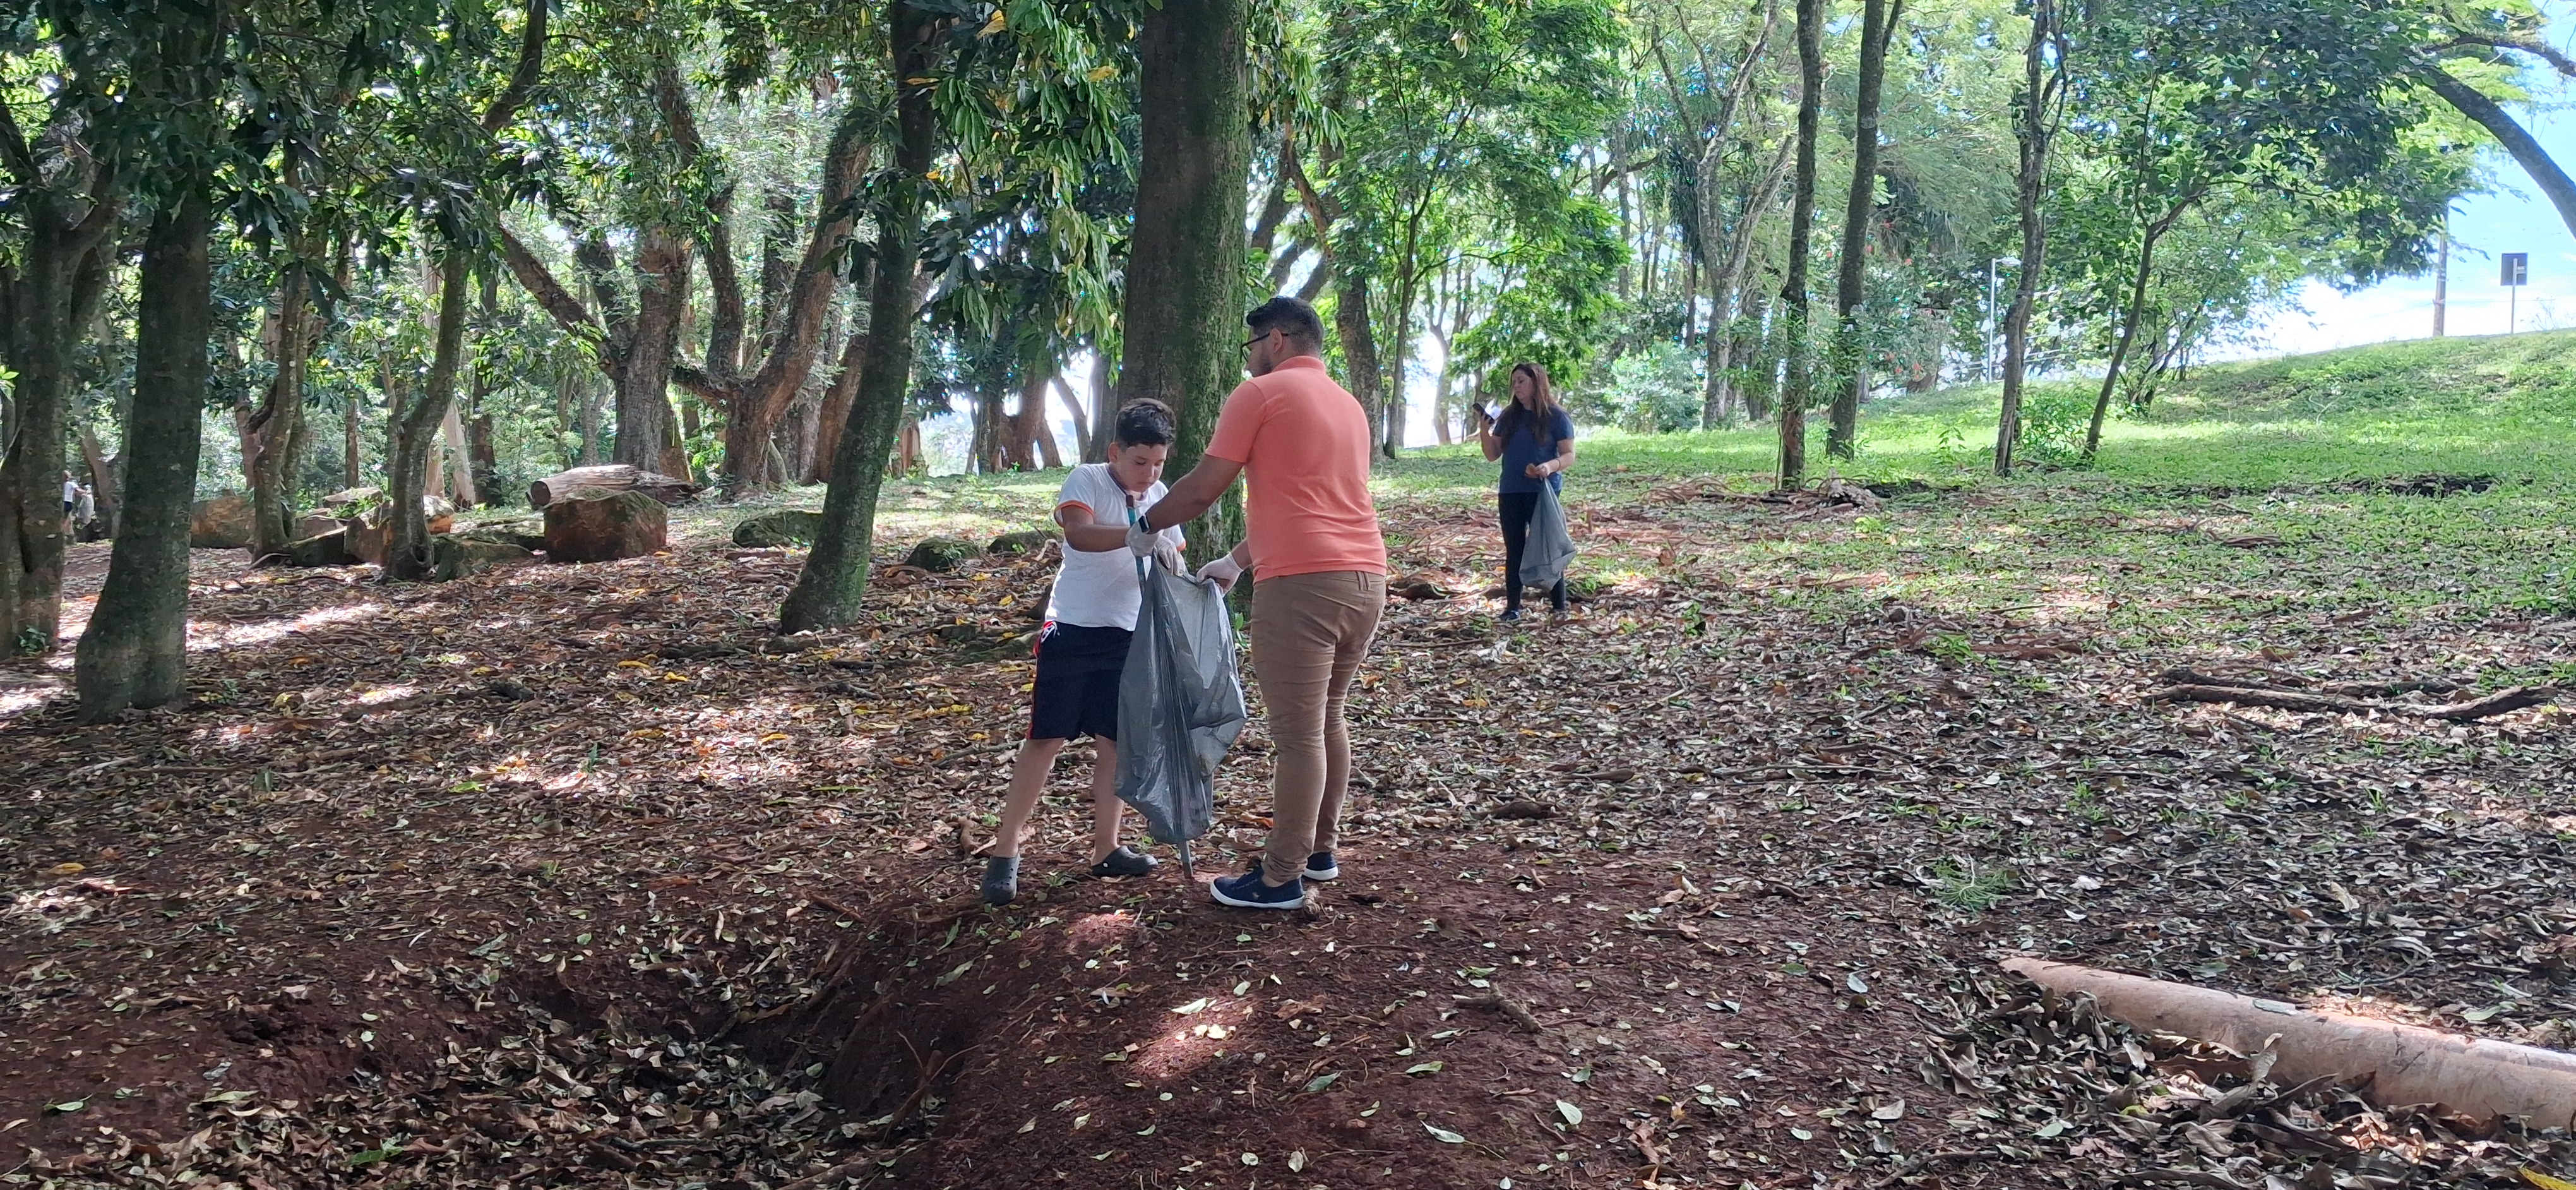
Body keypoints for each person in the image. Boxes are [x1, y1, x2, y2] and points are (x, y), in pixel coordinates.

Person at [1128, 296, 1386, 911]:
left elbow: (1202, 488)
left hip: (1301, 586)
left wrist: (1146, 523)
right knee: (1327, 719)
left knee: (1298, 736)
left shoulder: (1261, 395)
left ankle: (1280, 879)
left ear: (1275, 339)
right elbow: (1309, 499)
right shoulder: (1347, 404)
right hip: (1366, 577)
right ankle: (1318, 851)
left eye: (1250, 349)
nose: (1248, 363)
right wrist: (1236, 561)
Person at [981, 399, 1187, 906]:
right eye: (1140, 461)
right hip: (1072, 629)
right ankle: (1006, 852)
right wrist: (1136, 535)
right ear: (1116, 452)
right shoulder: (1087, 480)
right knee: (1046, 738)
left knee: (1114, 742)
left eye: (1159, 463)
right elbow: (1078, 532)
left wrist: (1172, 561)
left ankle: (1106, 849)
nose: (1149, 473)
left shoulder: (1160, 495)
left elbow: (1174, 553)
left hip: (1127, 635)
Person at [1472, 361, 1576, 620]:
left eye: (1522, 381)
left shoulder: (1556, 417)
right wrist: (1485, 431)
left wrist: (1548, 467)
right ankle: (1513, 607)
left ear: (1536, 382)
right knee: (1514, 548)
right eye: (1514, 382)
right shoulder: (1509, 416)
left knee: (1548, 545)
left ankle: (1559, 606)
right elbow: (1492, 455)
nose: (1516, 386)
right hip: (1511, 491)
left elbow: (1569, 455)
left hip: (1543, 491)